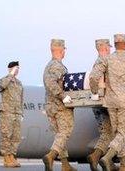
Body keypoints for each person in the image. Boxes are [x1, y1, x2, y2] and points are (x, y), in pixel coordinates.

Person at [90, 34, 125, 171]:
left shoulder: (107, 59)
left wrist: (95, 91)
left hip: (111, 102)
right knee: (123, 132)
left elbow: (93, 76)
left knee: (117, 133)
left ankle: (123, 163)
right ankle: (108, 157)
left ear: (115, 45)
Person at [42, 39, 76, 171]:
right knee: (65, 132)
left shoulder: (48, 65)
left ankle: (64, 163)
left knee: (59, 135)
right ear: (62, 51)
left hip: (50, 106)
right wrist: (63, 96)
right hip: (60, 106)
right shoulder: (57, 65)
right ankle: (51, 155)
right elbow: (51, 83)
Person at [88, 39, 117, 171]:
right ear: (104, 48)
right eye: (108, 47)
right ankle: (96, 156)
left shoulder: (99, 61)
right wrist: (95, 92)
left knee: (107, 133)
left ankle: (107, 162)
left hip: (100, 102)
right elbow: (93, 78)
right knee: (109, 133)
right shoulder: (104, 61)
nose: (110, 49)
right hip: (104, 102)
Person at [0, 61, 23, 167]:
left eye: (18, 68)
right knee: (6, 136)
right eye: (15, 68)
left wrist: (22, 113)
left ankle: (12, 156)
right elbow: (2, 85)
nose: (17, 70)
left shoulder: (19, 83)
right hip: (7, 112)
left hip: (17, 113)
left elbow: (21, 98)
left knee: (16, 137)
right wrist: (10, 74)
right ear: (10, 69)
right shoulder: (4, 80)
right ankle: (6, 158)